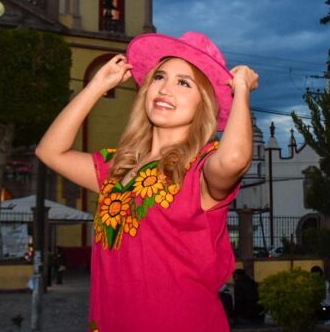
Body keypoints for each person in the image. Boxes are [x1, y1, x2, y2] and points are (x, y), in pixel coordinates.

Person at [36, 31, 259, 332]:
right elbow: (50, 152)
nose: (165, 89)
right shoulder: (117, 167)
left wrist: (241, 90)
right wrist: (96, 86)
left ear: (203, 103)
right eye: (159, 77)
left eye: (184, 83)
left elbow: (234, 159)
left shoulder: (200, 167)